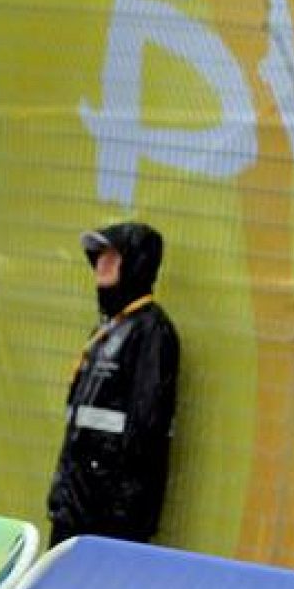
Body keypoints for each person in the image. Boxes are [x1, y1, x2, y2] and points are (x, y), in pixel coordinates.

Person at [47, 222, 180, 546]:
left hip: (111, 514)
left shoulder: (151, 331)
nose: (101, 263)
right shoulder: (107, 330)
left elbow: (145, 426)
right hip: (75, 503)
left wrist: (119, 504)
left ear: (135, 262)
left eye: (112, 255)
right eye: (98, 255)